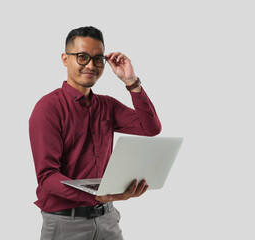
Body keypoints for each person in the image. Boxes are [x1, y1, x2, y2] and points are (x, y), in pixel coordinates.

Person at [29, 26, 162, 240]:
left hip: (107, 219)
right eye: (82, 57)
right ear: (65, 59)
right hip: (65, 223)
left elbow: (151, 128)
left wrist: (131, 81)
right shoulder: (48, 108)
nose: (91, 65)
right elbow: (47, 177)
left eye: (98, 58)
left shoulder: (107, 105)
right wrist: (96, 195)